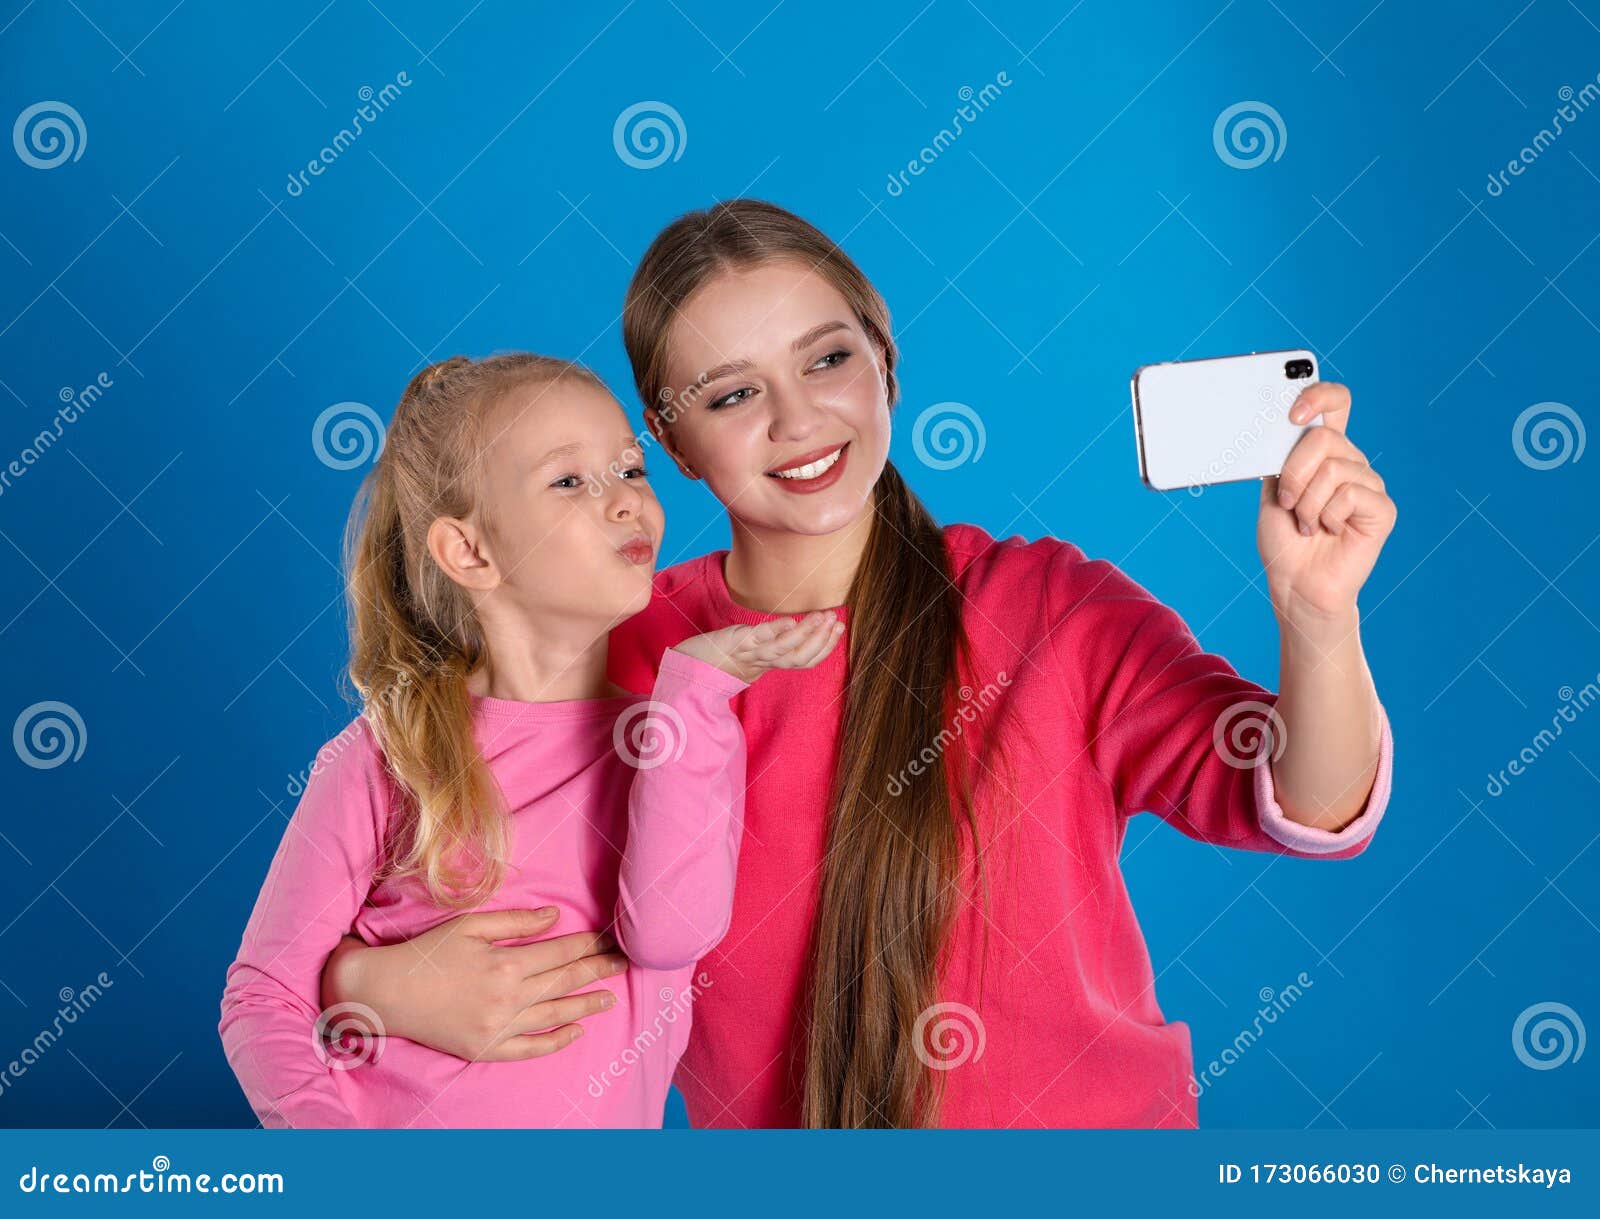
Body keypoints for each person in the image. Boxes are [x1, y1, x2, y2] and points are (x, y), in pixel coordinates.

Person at [320, 201, 1396, 1128]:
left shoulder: (1046, 606)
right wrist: (368, 980)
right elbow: (441, 884)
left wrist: (1317, 614)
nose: (798, 420)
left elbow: (1305, 799)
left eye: (828, 359)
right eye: (732, 394)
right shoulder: (618, 655)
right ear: (671, 440)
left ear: (885, 359)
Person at [220, 352, 841, 1126]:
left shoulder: (679, 732)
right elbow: (262, 996)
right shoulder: (384, 758)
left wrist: (696, 692)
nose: (625, 502)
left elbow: (668, 933)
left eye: (630, 469)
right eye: (570, 481)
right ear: (471, 552)